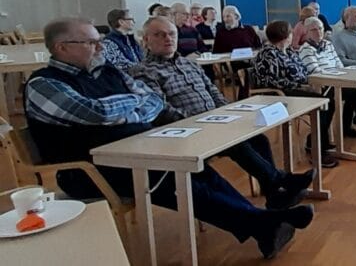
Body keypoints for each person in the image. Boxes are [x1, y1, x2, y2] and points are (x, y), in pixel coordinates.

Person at [24, 17, 312, 259]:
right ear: (61, 47)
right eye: (90, 42)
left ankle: (262, 223)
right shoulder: (44, 83)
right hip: (90, 169)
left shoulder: (107, 72)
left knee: (200, 173)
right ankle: (263, 223)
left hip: (141, 150)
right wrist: (132, 105)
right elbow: (94, 112)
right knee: (175, 181)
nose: (100, 47)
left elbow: (152, 101)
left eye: (98, 40)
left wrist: (123, 109)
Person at [131, 17, 334, 197]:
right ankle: (280, 181)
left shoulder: (189, 64)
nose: (168, 38)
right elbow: (161, 110)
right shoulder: (143, 71)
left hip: (214, 120)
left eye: (172, 34)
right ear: (146, 40)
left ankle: (274, 193)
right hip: (186, 131)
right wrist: (200, 122)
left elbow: (213, 90)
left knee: (258, 139)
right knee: (238, 144)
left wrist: (226, 112)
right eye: (159, 35)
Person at [249, 21, 339, 166]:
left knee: (328, 101)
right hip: (278, 94)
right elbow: (272, 81)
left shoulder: (289, 51)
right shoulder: (268, 53)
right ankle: (318, 151)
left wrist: (304, 85)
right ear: (285, 36)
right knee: (321, 104)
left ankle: (315, 142)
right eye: (290, 33)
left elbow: (303, 71)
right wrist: (299, 85)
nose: (293, 35)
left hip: (294, 90)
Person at [299, 17, 356, 138]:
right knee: (331, 102)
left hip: (336, 81)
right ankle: (317, 138)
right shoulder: (306, 49)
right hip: (321, 86)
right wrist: (334, 76)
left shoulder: (328, 44)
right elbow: (315, 71)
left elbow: (339, 65)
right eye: (314, 30)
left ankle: (350, 124)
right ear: (307, 32)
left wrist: (339, 76)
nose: (318, 32)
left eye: (320, 28)